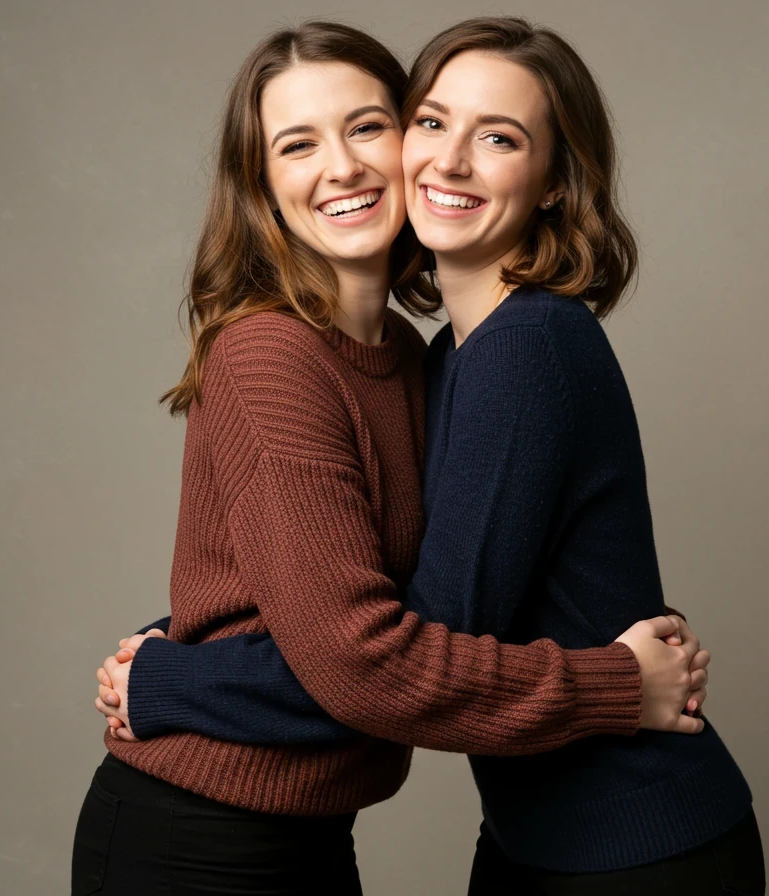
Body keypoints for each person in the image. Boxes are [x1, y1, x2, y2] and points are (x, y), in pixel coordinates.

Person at [73, 20, 711, 896]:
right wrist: (170, 664)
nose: (342, 167)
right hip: (202, 840)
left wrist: (171, 676)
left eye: (367, 125)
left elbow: (376, 636)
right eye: (298, 144)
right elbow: (358, 649)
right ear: (262, 184)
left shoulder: (432, 360)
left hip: (320, 834)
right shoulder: (277, 359)